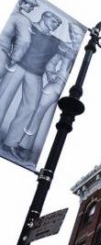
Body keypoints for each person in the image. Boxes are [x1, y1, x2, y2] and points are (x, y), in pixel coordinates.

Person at [16, 23, 85, 162]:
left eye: (76, 34)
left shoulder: (84, 51)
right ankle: (24, 146)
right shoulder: (65, 46)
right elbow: (52, 63)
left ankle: (25, 146)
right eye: (72, 33)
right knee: (38, 111)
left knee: (41, 113)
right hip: (57, 83)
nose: (73, 36)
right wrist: (51, 74)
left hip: (71, 89)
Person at [0, 10, 63, 162]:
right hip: (17, 66)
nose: (56, 25)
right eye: (54, 21)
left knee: (30, 108)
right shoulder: (27, 26)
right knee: (3, 97)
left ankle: (11, 143)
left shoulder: (55, 41)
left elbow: (52, 62)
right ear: (45, 16)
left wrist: (52, 75)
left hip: (36, 73)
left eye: (58, 24)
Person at [0, 0, 38, 80]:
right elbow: (24, 41)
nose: (32, 9)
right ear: (22, 1)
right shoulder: (22, 19)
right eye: (31, 6)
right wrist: (13, 60)